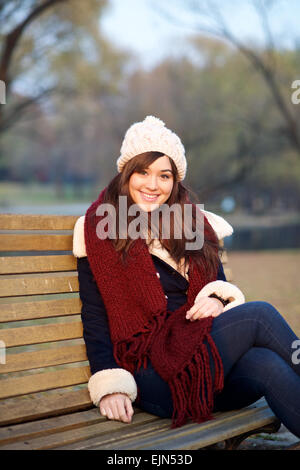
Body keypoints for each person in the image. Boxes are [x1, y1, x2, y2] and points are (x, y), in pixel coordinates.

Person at [73, 115, 300, 437]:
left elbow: (216, 286)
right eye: (143, 172)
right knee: (259, 315)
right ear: (125, 173)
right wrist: (111, 385)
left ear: (175, 181)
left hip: (202, 365)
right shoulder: (100, 229)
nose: (153, 185)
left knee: (266, 364)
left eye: (164, 175)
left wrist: (217, 301)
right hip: (155, 376)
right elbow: (95, 316)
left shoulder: (192, 224)